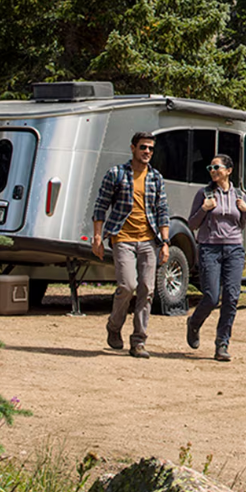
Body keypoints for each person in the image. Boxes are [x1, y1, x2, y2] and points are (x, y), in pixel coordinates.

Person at [91, 132, 170, 358]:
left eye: (151, 149)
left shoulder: (156, 178)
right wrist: (97, 237)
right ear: (133, 148)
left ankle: (138, 341)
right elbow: (100, 206)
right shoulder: (116, 174)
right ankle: (114, 326)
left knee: (147, 289)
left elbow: (163, 211)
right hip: (122, 237)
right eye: (143, 147)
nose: (147, 152)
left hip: (148, 240)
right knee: (127, 285)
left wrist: (165, 242)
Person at [186, 154, 246, 361]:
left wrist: (245, 213)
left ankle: (222, 344)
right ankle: (194, 323)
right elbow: (192, 225)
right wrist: (204, 210)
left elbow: (240, 225)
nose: (213, 171)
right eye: (210, 168)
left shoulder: (238, 194)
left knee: (231, 298)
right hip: (209, 248)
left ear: (229, 171)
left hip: (234, 249)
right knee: (212, 297)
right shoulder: (203, 193)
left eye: (217, 167)